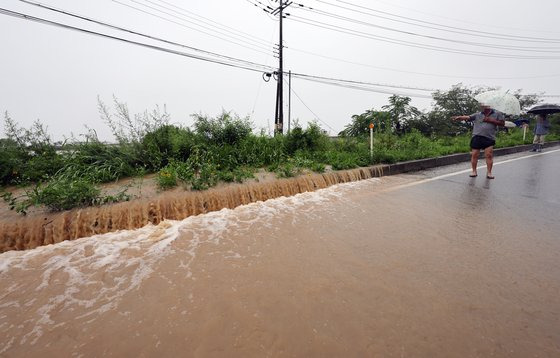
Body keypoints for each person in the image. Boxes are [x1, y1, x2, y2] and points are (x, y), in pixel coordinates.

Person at [451, 105, 505, 179]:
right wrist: (460, 117)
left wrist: (491, 120)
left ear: (489, 106)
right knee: (474, 154)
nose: (484, 107)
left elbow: (502, 124)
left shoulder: (497, 113)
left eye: (486, 105)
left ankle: (489, 173)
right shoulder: (478, 114)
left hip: (489, 137)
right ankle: (474, 171)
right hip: (477, 136)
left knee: (489, 155)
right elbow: (468, 117)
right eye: (483, 106)